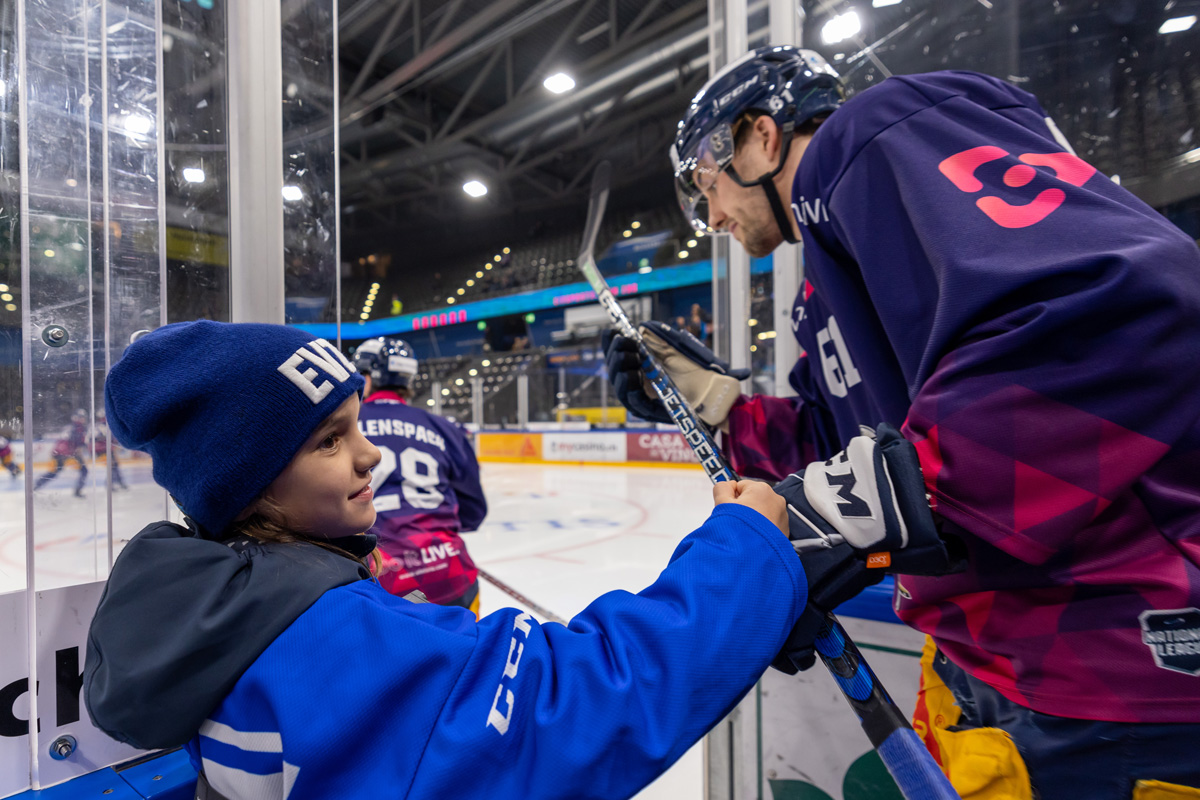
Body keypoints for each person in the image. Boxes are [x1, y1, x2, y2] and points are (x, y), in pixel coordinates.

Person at [606, 46, 1200, 799]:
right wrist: (719, 410)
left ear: (760, 136)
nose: (712, 216)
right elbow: (848, 440)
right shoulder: (820, 286)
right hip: (989, 665)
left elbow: (1125, 313)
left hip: (1109, 669)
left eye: (705, 184)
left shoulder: (870, 138)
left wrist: (856, 506)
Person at [84, 320, 940, 799]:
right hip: (441, 585)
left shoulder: (216, 614)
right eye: (328, 440)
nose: (370, 456)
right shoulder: (330, 636)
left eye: (357, 425)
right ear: (252, 483)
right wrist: (755, 549)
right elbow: (574, 704)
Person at [353, 336, 487, 617]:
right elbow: (473, 511)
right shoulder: (444, 428)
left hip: (382, 587)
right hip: (454, 578)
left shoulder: (345, 427)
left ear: (366, 378)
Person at [35, 409, 90, 497]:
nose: (83, 419)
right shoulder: (79, 428)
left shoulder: (69, 426)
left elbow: (64, 440)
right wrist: (81, 447)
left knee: (53, 473)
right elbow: (76, 441)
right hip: (67, 453)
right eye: (82, 417)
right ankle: (78, 491)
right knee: (84, 470)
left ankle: (35, 486)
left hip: (59, 453)